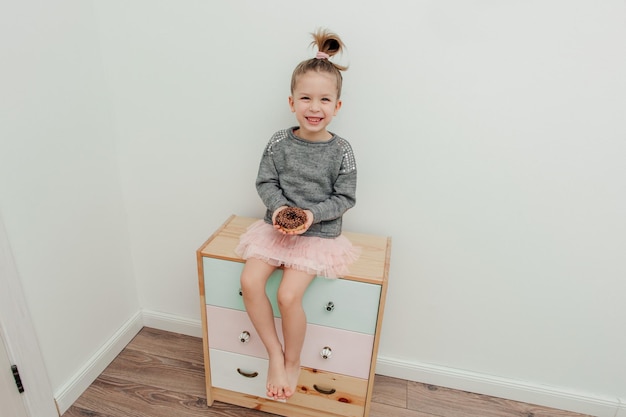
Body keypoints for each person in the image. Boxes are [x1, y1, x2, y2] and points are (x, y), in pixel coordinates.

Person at [235, 29, 358, 401]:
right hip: (277, 228)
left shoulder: (342, 151)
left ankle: (294, 359)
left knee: (289, 296)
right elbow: (265, 182)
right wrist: (281, 209)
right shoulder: (278, 141)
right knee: (251, 281)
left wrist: (311, 214)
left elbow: (345, 198)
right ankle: (274, 353)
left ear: (337, 106)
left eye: (324, 99)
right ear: (292, 102)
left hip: (317, 237)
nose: (314, 107)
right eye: (306, 98)